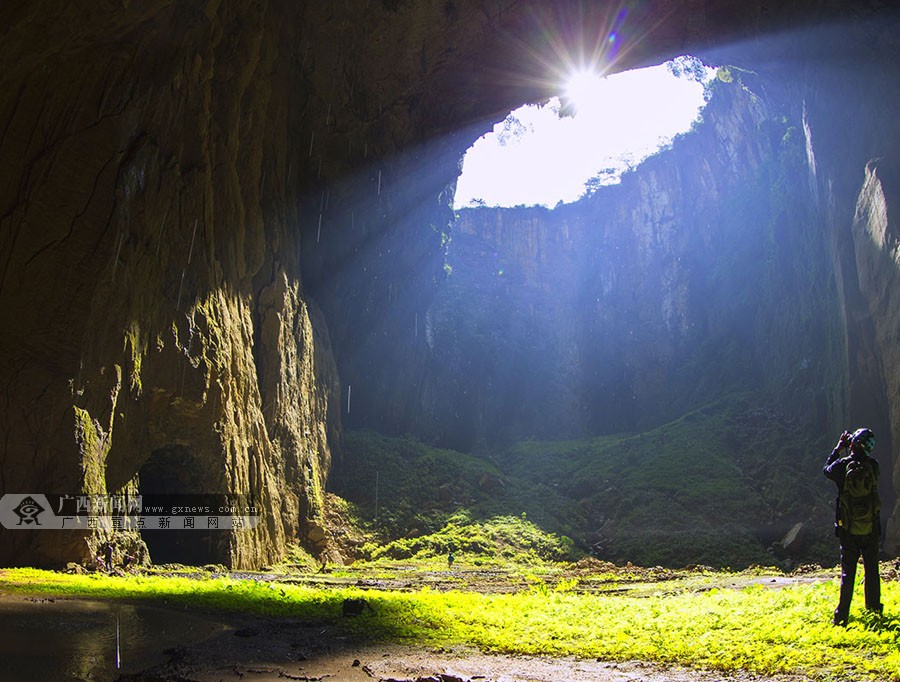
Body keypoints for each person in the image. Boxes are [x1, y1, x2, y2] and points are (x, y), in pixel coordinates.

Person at [823, 427, 883, 626]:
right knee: (872, 571)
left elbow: (826, 469)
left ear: (853, 444)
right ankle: (874, 612)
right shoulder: (873, 466)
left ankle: (841, 617)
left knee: (848, 573)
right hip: (871, 528)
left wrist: (838, 448)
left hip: (848, 529)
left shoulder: (842, 466)